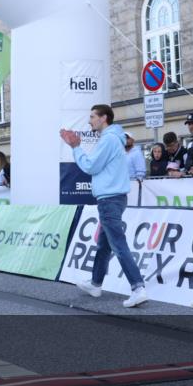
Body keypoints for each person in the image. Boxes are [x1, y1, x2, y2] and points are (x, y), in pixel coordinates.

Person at [60, 104, 148, 308]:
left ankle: (138, 287)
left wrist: (76, 148)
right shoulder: (113, 138)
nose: (89, 120)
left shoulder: (108, 139)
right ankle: (95, 284)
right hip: (113, 197)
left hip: (109, 198)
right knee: (104, 243)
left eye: (92, 116)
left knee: (117, 244)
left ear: (104, 118)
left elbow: (90, 166)